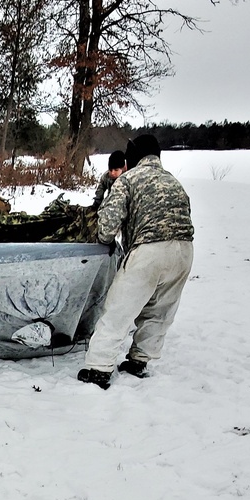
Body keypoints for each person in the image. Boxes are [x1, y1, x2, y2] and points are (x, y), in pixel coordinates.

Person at [78, 134, 195, 389]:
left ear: (134, 157)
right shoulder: (174, 182)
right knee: (159, 311)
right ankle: (139, 360)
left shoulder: (129, 179)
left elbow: (107, 225)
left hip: (149, 250)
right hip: (185, 252)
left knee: (119, 309)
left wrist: (102, 237)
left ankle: (98, 367)